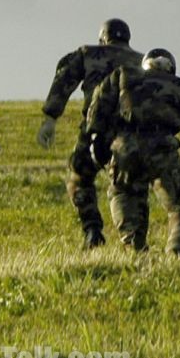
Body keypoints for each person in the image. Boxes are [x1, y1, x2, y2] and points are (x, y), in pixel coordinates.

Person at [82, 47, 180, 255]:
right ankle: (177, 253)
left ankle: (134, 249)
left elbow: (99, 104)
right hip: (161, 146)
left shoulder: (122, 75)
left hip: (125, 148)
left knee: (125, 193)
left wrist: (96, 139)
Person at [36, 18, 143, 248]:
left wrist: (50, 118)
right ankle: (134, 238)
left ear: (103, 37)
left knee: (79, 178)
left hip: (95, 128)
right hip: (132, 131)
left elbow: (63, 80)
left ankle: (92, 229)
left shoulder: (88, 54)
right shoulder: (140, 60)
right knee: (129, 187)